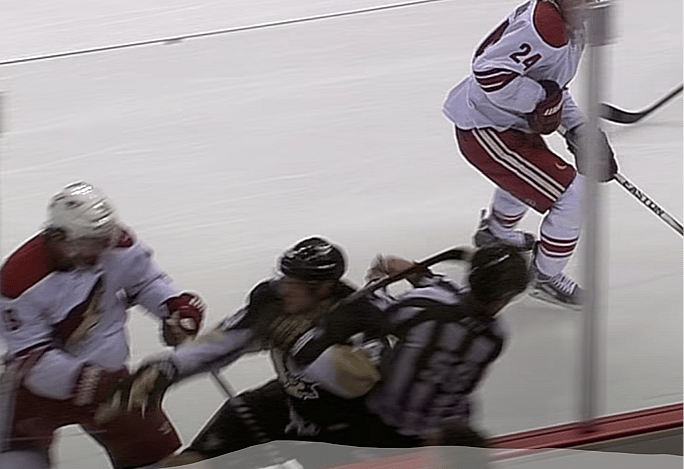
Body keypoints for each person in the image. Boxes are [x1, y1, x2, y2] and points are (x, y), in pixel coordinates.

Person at [98, 236, 390, 467]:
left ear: (324, 288)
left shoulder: (360, 318)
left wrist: (303, 344)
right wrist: (166, 369)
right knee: (190, 462)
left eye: (295, 283)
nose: (285, 288)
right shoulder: (274, 301)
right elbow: (224, 342)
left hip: (345, 427)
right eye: (285, 278)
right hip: (285, 404)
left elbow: (357, 383)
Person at [0, 181, 206, 469]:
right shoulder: (18, 280)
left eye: (108, 236)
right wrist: (90, 382)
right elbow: (31, 355)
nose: (106, 247)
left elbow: (145, 281)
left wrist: (174, 307)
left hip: (110, 381)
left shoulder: (116, 244)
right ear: (59, 238)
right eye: (94, 241)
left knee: (161, 461)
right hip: (34, 393)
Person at [442, 0, 619, 309]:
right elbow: (488, 72)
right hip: (487, 131)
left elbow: (553, 85)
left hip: (505, 123)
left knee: (526, 178)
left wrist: (578, 127)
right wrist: (539, 100)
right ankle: (545, 277)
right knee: (572, 195)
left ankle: (495, 233)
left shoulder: (567, 23)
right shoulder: (548, 28)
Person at [363, 245, 529, 451]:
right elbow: (450, 298)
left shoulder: (424, 308)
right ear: (504, 298)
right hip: (448, 434)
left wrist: (376, 279)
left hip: (389, 422)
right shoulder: (494, 338)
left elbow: (375, 313)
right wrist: (417, 273)